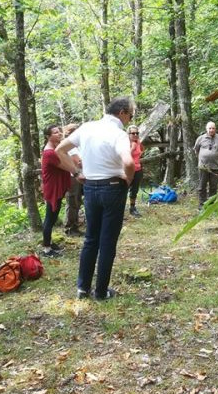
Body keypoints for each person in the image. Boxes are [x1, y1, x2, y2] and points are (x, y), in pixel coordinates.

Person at [56, 97, 135, 301]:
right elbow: (128, 161)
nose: (129, 119)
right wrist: (128, 180)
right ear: (122, 112)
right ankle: (101, 292)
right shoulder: (118, 134)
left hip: (90, 188)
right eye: (131, 115)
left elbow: (59, 150)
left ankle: (82, 288)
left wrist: (76, 173)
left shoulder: (87, 128)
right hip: (113, 188)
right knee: (107, 241)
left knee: (91, 239)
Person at [40, 125, 72, 257]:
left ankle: (49, 242)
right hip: (52, 189)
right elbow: (65, 166)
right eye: (55, 132)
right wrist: (76, 169)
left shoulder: (55, 149)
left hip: (55, 187)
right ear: (48, 136)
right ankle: (46, 249)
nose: (59, 134)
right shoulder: (49, 153)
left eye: (59, 131)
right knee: (50, 218)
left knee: (52, 217)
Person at [193, 121, 218, 209]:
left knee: (213, 186)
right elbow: (196, 150)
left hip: (215, 167)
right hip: (203, 167)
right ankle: (202, 204)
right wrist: (202, 158)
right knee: (202, 186)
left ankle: (211, 205)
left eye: (213, 128)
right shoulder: (200, 138)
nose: (211, 130)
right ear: (206, 129)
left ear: (215, 129)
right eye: (210, 128)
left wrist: (216, 157)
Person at [62, 123, 84, 236]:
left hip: (79, 176)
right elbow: (78, 162)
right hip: (72, 177)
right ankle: (69, 228)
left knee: (77, 201)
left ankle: (75, 225)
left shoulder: (77, 146)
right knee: (72, 202)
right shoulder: (69, 147)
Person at [127, 125, 144, 217]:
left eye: (137, 133)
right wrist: (132, 148)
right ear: (128, 134)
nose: (135, 135)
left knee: (135, 189)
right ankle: (119, 208)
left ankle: (132, 208)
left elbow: (141, 151)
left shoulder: (138, 142)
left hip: (138, 169)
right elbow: (124, 156)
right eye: (133, 133)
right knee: (123, 189)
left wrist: (138, 146)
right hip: (127, 170)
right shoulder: (125, 143)